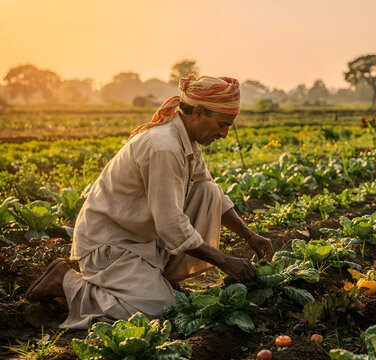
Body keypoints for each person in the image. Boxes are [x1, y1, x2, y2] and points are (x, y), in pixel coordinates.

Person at [25, 75, 274, 329]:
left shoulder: (187, 140)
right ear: (198, 112)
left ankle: (151, 282)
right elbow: (171, 226)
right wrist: (223, 260)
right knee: (160, 311)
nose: (224, 133)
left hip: (142, 239)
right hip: (110, 245)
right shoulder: (164, 146)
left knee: (207, 190)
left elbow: (215, 197)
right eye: (222, 124)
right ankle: (65, 281)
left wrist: (248, 234)